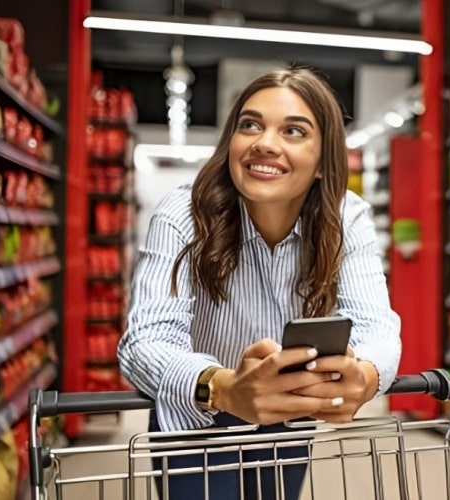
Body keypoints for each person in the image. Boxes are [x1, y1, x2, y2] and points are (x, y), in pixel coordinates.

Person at [118, 66, 402, 499]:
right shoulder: (183, 214)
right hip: (198, 416)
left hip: (287, 415)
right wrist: (224, 387)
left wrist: (364, 374)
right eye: (249, 125)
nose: (264, 143)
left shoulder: (347, 217)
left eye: (293, 131)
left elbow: (376, 326)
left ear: (325, 162)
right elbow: (144, 342)